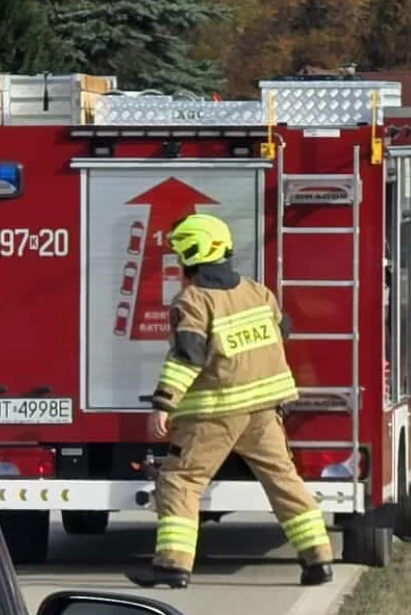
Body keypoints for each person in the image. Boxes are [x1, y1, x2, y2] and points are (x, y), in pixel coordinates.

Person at [126, 213, 334, 589]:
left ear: (191, 256)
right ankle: (318, 560)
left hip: (215, 414)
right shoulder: (258, 292)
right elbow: (281, 330)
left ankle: (172, 566)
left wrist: (163, 403)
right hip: (265, 411)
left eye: (181, 254)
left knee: (180, 480)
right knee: (284, 481)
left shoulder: (193, 300)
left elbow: (188, 355)